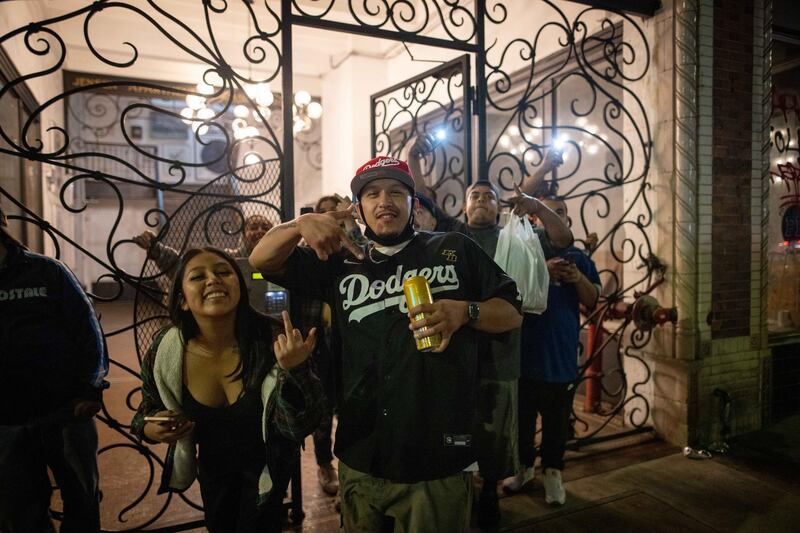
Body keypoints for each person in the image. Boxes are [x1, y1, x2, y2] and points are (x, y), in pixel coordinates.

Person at [249, 155, 523, 532]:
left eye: (397, 191)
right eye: (372, 193)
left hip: (439, 454)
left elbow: (512, 312)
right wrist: (299, 224)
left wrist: (466, 312)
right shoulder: (339, 262)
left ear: (414, 202)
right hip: (362, 452)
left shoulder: (455, 248)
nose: (385, 201)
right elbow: (259, 259)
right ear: (358, 208)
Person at [131, 247, 324, 532]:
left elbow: (302, 424)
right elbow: (144, 414)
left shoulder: (275, 341)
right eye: (198, 276)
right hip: (213, 476)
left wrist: (297, 371)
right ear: (182, 300)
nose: (213, 280)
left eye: (223, 272)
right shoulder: (166, 350)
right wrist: (153, 429)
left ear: (240, 287)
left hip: (269, 474)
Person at [463, 179, 573, 528]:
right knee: (459, 425)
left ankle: (490, 492)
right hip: (460, 352)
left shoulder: (517, 235)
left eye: (488, 196)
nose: (481, 200)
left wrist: (537, 208)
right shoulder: (450, 237)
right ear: (465, 206)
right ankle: (463, 490)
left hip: (503, 352)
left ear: (499, 207)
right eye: (474, 196)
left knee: (496, 428)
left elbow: (563, 239)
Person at [0, 203, 109, 533]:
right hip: (4, 421)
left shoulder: (48, 272)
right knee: (18, 508)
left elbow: (89, 332)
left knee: (82, 497)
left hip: (65, 413)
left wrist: (90, 389)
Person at [504, 196, 601, 506]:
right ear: (536, 219)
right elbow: (510, 287)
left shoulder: (578, 257)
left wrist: (577, 278)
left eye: (559, 213)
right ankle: (523, 469)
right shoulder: (525, 251)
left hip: (559, 357)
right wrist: (542, 269)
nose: (553, 218)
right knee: (521, 419)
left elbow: (592, 299)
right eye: (547, 213)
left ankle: (553, 474)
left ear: (566, 219)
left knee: (557, 423)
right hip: (523, 353)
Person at [133, 213, 274, 275]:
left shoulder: (283, 258)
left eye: (265, 227)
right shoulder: (229, 258)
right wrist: (157, 249)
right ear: (243, 234)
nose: (260, 231)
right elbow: (184, 268)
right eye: (254, 227)